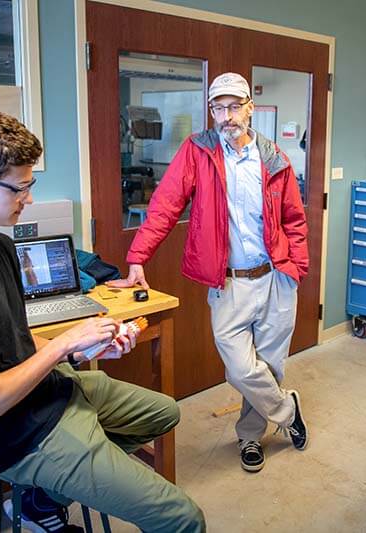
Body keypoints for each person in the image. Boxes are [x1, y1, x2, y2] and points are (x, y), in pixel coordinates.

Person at [0, 109, 205, 533]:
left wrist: (85, 349)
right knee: (183, 518)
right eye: (20, 188)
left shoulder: (1, 248)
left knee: (164, 413)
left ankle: (42, 501)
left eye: (31, 185)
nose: (28, 198)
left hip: (52, 392)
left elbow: (18, 341)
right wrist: (65, 344)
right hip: (20, 434)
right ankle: (59, 480)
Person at [108, 73, 309, 473]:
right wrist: (137, 257)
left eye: (235, 106)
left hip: (275, 277)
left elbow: (294, 220)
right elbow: (165, 205)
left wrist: (295, 268)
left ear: (249, 108)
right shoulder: (198, 151)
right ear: (212, 111)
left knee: (269, 366)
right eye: (219, 107)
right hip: (230, 281)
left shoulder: (274, 158)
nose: (227, 116)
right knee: (239, 366)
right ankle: (288, 411)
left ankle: (250, 435)